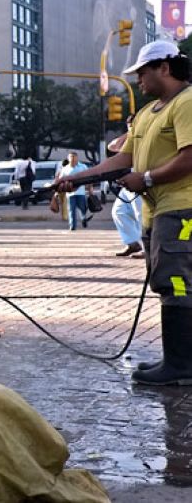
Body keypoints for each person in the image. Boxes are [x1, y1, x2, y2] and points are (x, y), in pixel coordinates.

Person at [55, 40, 192, 385]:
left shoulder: (188, 103)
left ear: (165, 67)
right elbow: (122, 159)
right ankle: (176, 360)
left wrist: (146, 178)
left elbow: (190, 156)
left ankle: (181, 367)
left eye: (143, 72)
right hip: (156, 212)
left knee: (177, 282)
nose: (138, 81)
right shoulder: (146, 114)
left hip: (184, 211)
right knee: (168, 282)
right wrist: (77, 178)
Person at [108, 130, 144, 258]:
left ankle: (147, 248)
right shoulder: (129, 139)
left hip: (140, 180)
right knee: (118, 211)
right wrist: (129, 133)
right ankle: (132, 242)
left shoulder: (145, 138)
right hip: (126, 182)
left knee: (140, 214)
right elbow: (112, 146)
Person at [57, 152, 91, 230]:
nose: (73, 159)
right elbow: (61, 180)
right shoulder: (65, 169)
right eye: (71, 157)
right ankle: (72, 226)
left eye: (74, 157)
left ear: (77, 158)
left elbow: (89, 177)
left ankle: (83, 219)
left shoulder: (83, 167)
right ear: (68, 159)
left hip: (81, 192)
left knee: (83, 208)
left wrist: (90, 189)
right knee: (71, 210)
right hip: (70, 193)